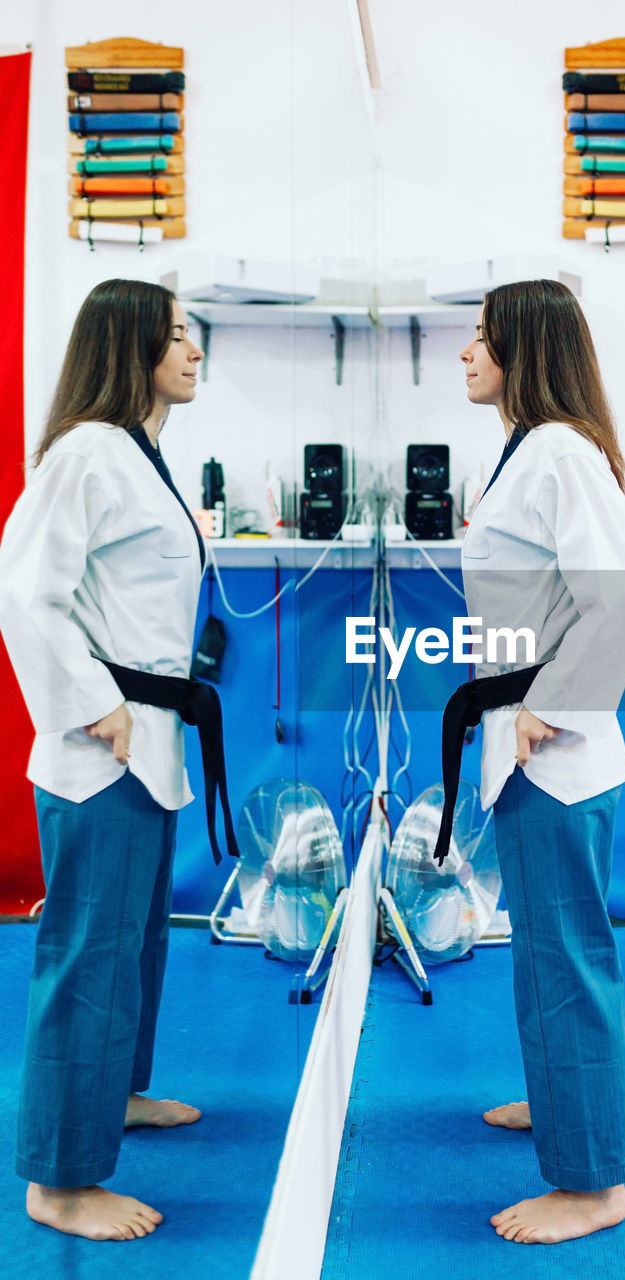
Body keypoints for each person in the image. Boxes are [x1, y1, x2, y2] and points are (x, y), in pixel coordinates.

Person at [0, 278, 206, 1241]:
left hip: (146, 739)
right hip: (104, 747)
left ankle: (111, 1097)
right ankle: (61, 1178)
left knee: (135, 941)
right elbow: (25, 594)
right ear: (129, 348)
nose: (194, 349)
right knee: (89, 952)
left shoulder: (139, 453)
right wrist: (94, 705)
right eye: (175, 336)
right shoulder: (86, 454)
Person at [456, 279, 625, 1245]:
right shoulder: (531, 453)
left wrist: (549, 708)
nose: (465, 353)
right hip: (528, 743)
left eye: (482, 339)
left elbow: (622, 594)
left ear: (523, 350)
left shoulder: (560, 455)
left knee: (566, 956)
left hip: (555, 750)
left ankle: (591, 1184)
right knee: (540, 946)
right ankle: (558, 1099)